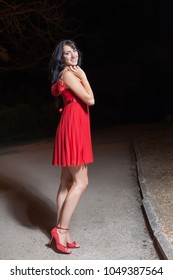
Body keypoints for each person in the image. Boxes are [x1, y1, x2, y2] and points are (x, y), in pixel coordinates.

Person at [48, 39, 95, 254]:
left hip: (71, 123)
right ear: (62, 58)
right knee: (81, 181)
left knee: (66, 182)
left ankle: (63, 234)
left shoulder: (65, 75)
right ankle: (61, 229)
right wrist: (84, 76)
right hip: (74, 126)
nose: (73, 54)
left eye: (74, 49)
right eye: (67, 53)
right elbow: (89, 99)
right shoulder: (69, 74)